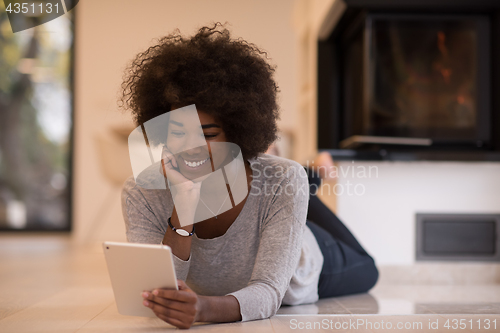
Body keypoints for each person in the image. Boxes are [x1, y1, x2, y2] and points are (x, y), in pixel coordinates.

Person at [120, 23, 378, 329]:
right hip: (273, 187)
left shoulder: (280, 180)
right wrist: (184, 207)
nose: (191, 148)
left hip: (306, 262)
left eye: (209, 134)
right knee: (286, 179)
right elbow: (163, 292)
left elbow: (269, 292)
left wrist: (204, 310)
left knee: (368, 269)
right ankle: (305, 176)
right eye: (178, 132)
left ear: (238, 133)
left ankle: (306, 178)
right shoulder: (141, 193)